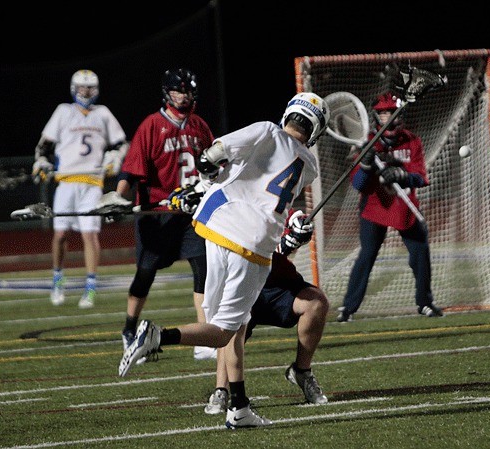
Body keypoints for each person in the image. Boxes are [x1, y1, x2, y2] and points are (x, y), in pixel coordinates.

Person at [118, 92, 330, 429]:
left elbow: (215, 154)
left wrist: (204, 179)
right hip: (251, 243)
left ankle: (238, 406)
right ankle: (156, 336)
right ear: (316, 130)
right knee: (221, 332)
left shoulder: (266, 129)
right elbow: (261, 184)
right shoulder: (311, 167)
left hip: (214, 225)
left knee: (236, 326)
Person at [104, 68, 217, 361]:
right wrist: (119, 197)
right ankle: (129, 328)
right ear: (168, 93)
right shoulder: (152, 125)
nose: (184, 96)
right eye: (179, 90)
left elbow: (216, 166)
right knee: (145, 274)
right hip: (157, 214)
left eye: (188, 90)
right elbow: (132, 168)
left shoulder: (200, 126)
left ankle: (203, 335)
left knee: (202, 270)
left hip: (191, 213)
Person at [337, 91, 442, 322]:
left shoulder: (412, 141)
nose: (388, 118)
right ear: (376, 117)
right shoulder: (367, 144)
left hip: (405, 208)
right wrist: (365, 165)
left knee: (420, 254)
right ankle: (348, 308)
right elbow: (359, 186)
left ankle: (425, 303)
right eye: (383, 114)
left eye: (392, 113)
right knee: (366, 257)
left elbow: (421, 177)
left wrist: (402, 175)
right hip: (374, 208)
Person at [32, 69, 128, 309]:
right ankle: (57, 279)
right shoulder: (64, 112)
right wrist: (41, 162)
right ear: (75, 88)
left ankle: (91, 286)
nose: (86, 91)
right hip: (66, 182)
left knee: (90, 235)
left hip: (92, 183)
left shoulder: (103, 113)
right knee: (61, 234)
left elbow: (121, 143)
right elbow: (44, 146)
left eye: (90, 87)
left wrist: (115, 157)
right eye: (82, 87)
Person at [204, 238, 330, 415]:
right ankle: (221, 390)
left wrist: (296, 232)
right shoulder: (236, 214)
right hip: (243, 281)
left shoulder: (278, 211)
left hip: (279, 285)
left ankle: (301, 371)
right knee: (229, 325)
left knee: (316, 303)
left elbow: (289, 223)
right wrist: (277, 245)